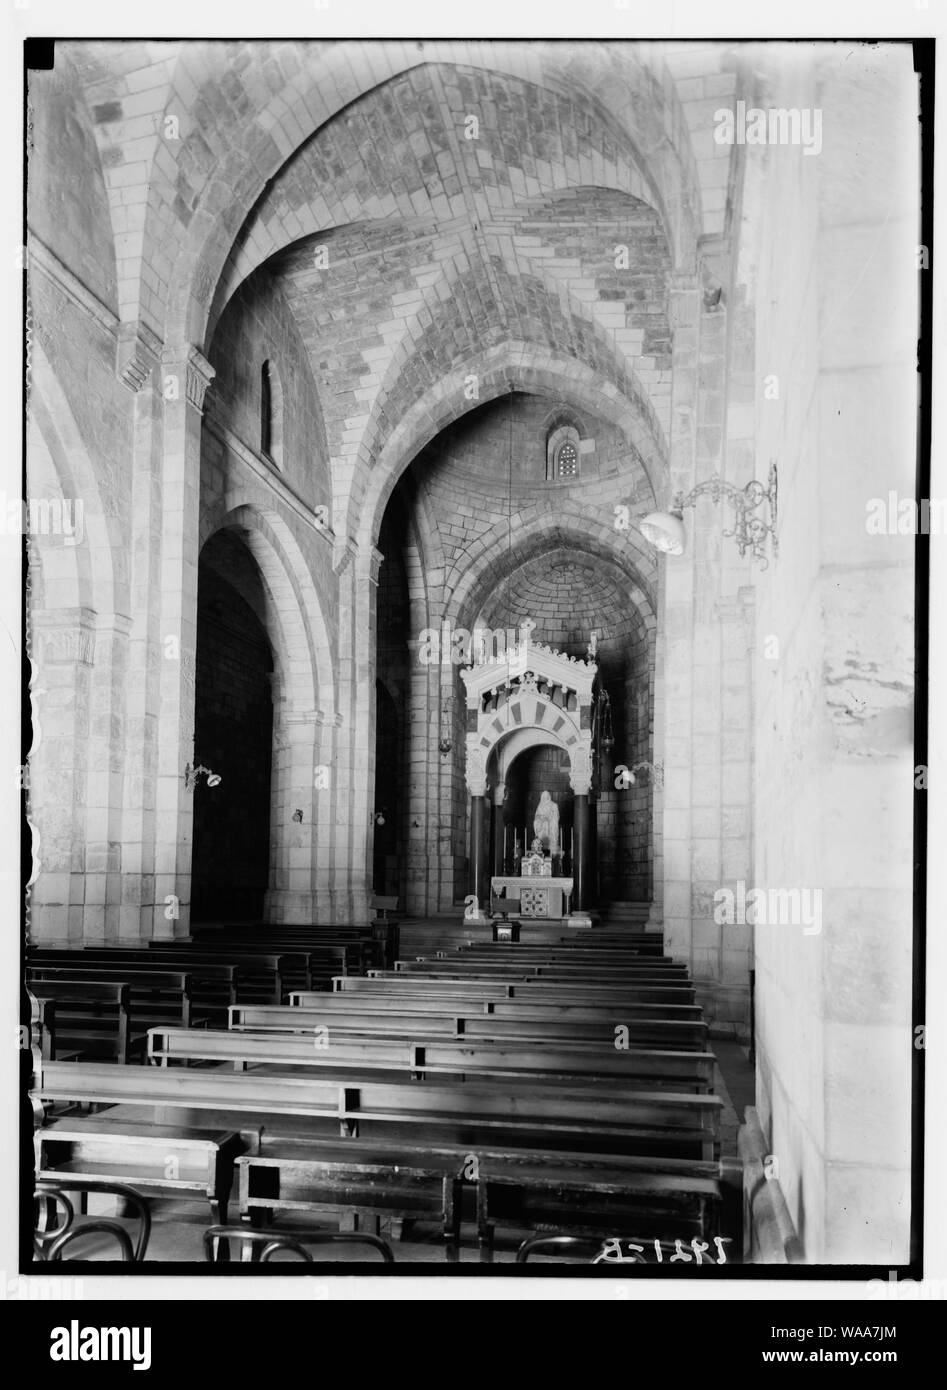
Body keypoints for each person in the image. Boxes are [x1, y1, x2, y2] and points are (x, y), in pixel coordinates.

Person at [533, 790, 560, 856]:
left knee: (548, 824)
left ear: (549, 797)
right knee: (541, 823)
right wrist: (542, 819)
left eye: (547, 796)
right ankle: (540, 844)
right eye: (544, 797)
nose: (545, 798)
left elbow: (556, 816)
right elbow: (537, 817)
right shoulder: (540, 806)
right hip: (542, 826)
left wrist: (548, 818)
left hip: (550, 826)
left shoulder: (553, 805)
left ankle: (551, 845)